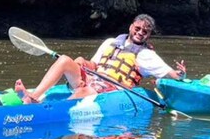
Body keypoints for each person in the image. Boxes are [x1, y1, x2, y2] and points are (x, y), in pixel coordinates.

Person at [14, 14, 185, 103]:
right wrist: (81, 61)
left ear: (148, 35)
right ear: (131, 26)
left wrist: (181, 74)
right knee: (65, 59)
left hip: (113, 88)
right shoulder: (111, 42)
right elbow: (94, 64)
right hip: (92, 78)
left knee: (83, 91)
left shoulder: (147, 55)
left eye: (144, 32)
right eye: (138, 28)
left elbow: (173, 75)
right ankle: (33, 97)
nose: (140, 33)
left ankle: (51, 111)